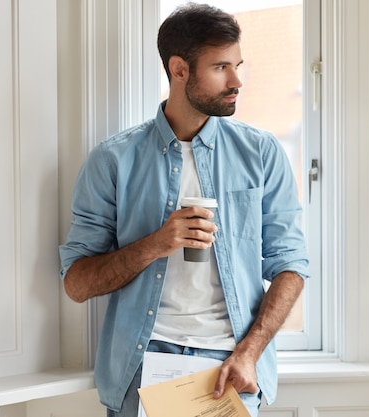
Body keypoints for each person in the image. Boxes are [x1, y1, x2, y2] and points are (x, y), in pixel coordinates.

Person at [59, 3, 309, 416]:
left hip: (231, 367)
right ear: (179, 70)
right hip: (142, 368)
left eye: (238, 65)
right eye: (221, 67)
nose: (236, 80)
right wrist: (156, 243)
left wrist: (250, 352)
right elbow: (77, 283)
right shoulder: (113, 160)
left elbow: (291, 265)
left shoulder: (261, 153)